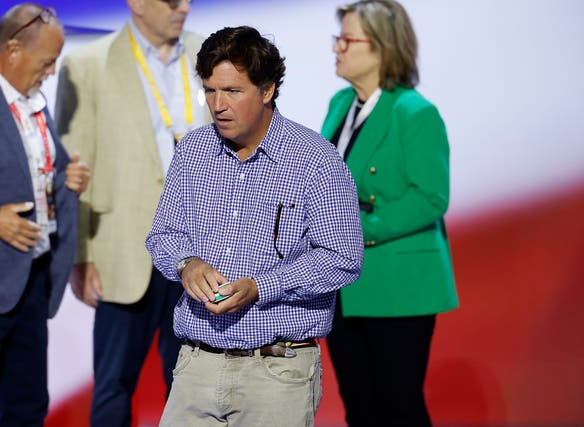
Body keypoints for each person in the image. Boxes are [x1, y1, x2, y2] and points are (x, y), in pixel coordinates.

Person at [145, 25, 364, 426]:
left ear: (267, 90)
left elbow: (344, 258)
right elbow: (163, 235)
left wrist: (262, 287)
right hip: (195, 365)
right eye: (210, 90)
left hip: (276, 372)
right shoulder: (193, 151)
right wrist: (187, 265)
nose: (218, 104)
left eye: (232, 91)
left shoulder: (316, 162)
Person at [54, 0, 209, 424]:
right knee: (113, 385)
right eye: (173, 1)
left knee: (195, 388)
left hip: (200, 253)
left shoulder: (211, 55)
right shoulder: (88, 64)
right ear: (137, 3)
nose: (185, 7)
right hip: (121, 251)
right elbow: (73, 165)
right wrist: (80, 255)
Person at [0, 3, 89, 426]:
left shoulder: (34, 105)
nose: (51, 71)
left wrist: (68, 178)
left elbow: (35, 172)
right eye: (46, 61)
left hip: (30, 283)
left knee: (26, 407)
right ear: (12, 50)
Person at [321, 1, 460, 426]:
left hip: (399, 288)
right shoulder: (341, 102)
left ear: (381, 47)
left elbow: (431, 197)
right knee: (360, 409)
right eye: (337, 38)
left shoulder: (415, 113)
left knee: (398, 408)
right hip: (346, 287)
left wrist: (357, 231)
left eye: (347, 39)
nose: (337, 48)